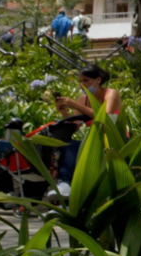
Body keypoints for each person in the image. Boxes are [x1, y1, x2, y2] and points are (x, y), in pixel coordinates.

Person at [50, 65, 123, 198]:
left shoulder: (111, 94)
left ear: (98, 80)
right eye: (80, 81)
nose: (82, 85)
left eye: (86, 81)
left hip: (113, 140)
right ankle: (66, 184)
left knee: (76, 147)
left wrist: (75, 105)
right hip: (92, 141)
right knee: (68, 145)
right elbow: (74, 126)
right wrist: (64, 112)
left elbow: (104, 116)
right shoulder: (82, 99)